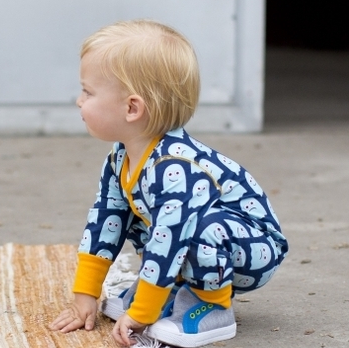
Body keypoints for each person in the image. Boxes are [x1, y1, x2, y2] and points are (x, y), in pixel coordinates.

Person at [49, 19, 287, 347]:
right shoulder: (120, 158)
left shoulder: (176, 166)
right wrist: (85, 295)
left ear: (132, 108)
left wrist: (144, 312)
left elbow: (171, 239)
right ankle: (175, 288)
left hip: (254, 250)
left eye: (87, 91)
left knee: (190, 227)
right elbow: (105, 222)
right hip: (202, 242)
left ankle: (213, 307)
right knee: (127, 215)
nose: (79, 100)